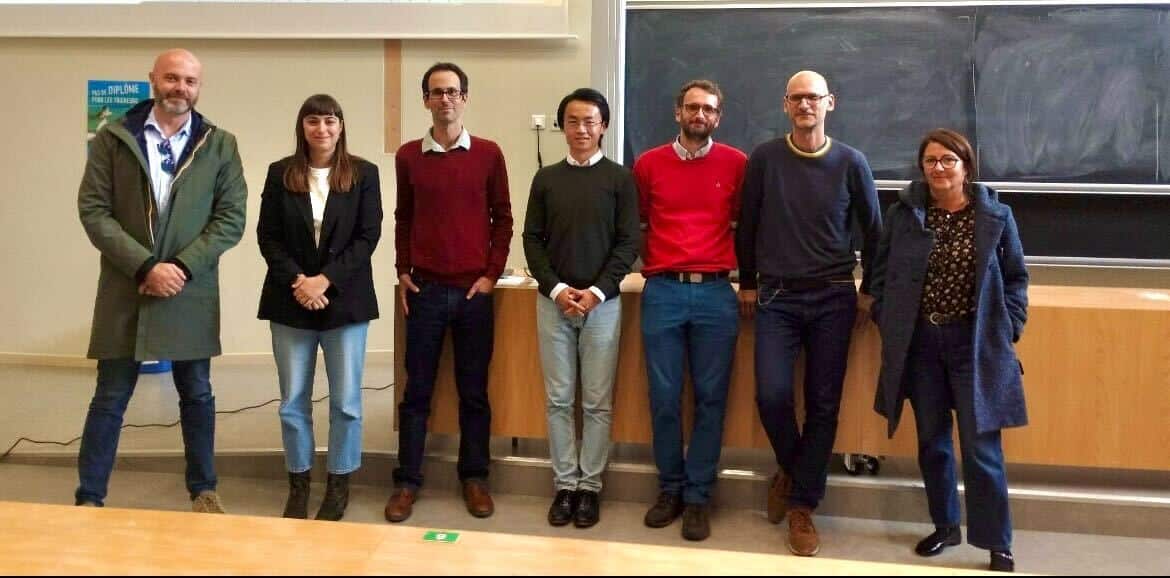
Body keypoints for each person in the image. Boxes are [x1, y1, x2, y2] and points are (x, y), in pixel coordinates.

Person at [75, 49, 247, 512]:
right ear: (153, 80)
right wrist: (145, 266)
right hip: (126, 289)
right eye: (172, 78)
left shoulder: (220, 143)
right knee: (109, 397)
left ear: (199, 87)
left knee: (197, 393)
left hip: (191, 291)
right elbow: (93, 210)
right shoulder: (114, 139)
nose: (181, 88)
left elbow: (231, 219)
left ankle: (203, 490)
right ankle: (89, 497)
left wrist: (182, 268)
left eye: (190, 81)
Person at [735, 70, 882, 556]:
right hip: (776, 297)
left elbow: (875, 234)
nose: (805, 105)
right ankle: (798, 468)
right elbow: (748, 224)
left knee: (823, 406)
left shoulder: (851, 162)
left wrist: (869, 290)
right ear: (785, 105)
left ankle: (801, 505)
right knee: (772, 396)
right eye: (797, 98)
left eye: (813, 98)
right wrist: (749, 283)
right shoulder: (765, 159)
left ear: (829, 103)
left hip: (834, 298)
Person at [869, 128, 1027, 573]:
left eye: (948, 160)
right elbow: (879, 275)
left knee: (981, 447)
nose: (938, 168)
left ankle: (997, 541)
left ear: (966, 166)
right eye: (930, 161)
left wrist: (1009, 326)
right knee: (933, 443)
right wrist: (886, 315)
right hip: (921, 346)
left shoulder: (995, 215)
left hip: (974, 346)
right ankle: (945, 525)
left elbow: (1016, 277)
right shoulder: (905, 215)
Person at [387, 62, 513, 523]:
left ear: (465, 98)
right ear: (425, 100)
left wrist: (491, 275)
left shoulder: (488, 154)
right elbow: (403, 217)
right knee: (416, 392)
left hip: (473, 295)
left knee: (473, 392)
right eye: (437, 92)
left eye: (453, 92)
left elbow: (503, 218)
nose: (445, 99)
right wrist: (402, 270)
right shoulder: (408, 156)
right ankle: (407, 482)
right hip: (424, 290)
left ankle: (474, 478)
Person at [257, 94, 382, 521]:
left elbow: (368, 237)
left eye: (330, 121)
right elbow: (267, 237)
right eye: (313, 121)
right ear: (302, 127)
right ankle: (298, 483)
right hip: (290, 301)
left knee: (346, 402)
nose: (322, 129)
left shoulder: (364, 174)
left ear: (341, 126)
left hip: (345, 302)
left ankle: (339, 484)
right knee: (293, 401)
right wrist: (300, 282)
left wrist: (324, 280)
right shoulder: (280, 174)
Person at [633, 79, 747, 541]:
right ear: (677, 112)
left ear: (718, 117)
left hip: (717, 293)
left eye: (709, 110)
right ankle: (670, 488)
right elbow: (638, 223)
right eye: (692, 108)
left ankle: (699, 495)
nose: (700, 115)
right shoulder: (647, 165)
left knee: (710, 399)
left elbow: (747, 222)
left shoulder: (737, 164)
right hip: (663, 291)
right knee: (663, 399)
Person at [522, 88, 640, 529]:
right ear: (563, 127)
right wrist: (556, 290)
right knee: (557, 399)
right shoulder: (546, 179)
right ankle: (564, 485)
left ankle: (589, 488)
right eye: (573, 121)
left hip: (602, 305)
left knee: (595, 402)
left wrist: (597, 291)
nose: (582, 129)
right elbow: (532, 239)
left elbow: (629, 242)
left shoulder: (620, 179)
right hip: (553, 305)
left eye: (590, 121)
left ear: (604, 126)